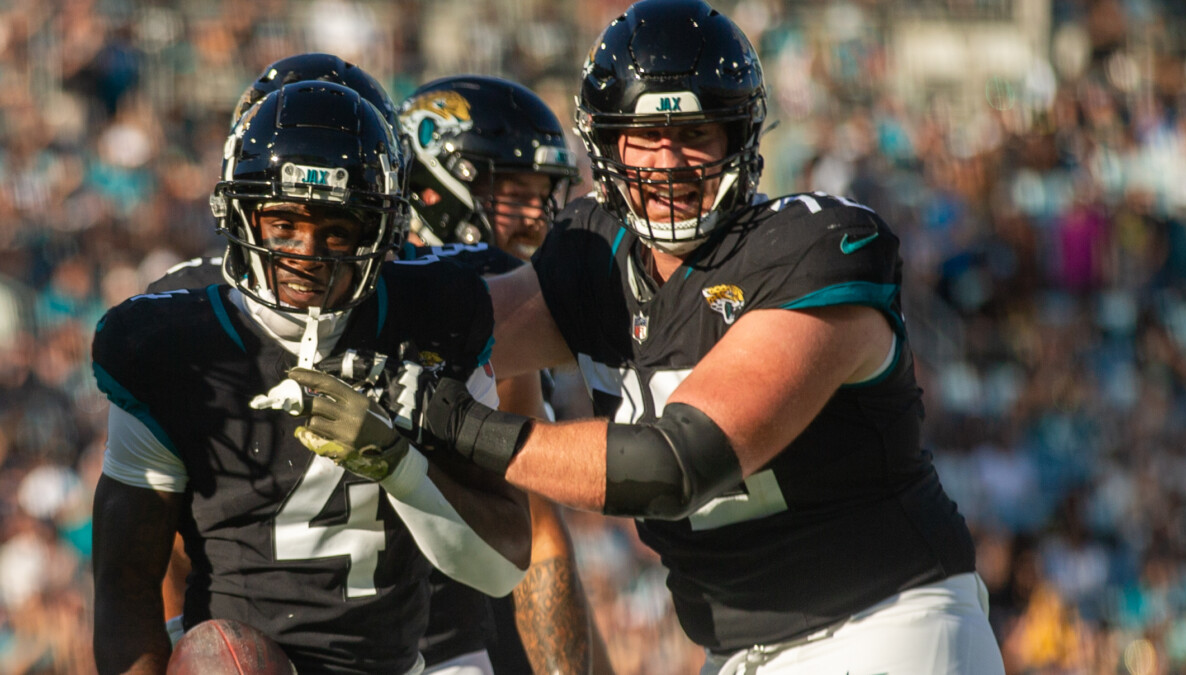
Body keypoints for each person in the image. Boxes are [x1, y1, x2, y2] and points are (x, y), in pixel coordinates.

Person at [291, 1, 1008, 673]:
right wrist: (307, 265)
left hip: (888, 623)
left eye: (695, 135)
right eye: (645, 139)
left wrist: (453, 421)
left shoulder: (813, 247)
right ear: (608, 148)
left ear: (740, 137)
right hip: (738, 648)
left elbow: (673, 465)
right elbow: (464, 320)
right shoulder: (593, 256)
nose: (669, 164)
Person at [92, 81, 530, 674]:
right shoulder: (175, 346)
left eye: (337, 230)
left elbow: (502, 566)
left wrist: (399, 466)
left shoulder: (434, 321)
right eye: (283, 224)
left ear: (378, 233)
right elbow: (126, 584)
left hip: (400, 665)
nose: (307, 253)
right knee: (218, 661)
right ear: (240, 214)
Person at [398, 74, 611, 675]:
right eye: (513, 194)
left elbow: (543, 540)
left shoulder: (495, 319)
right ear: (433, 187)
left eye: (544, 196)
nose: (536, 220)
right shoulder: (456, 309)